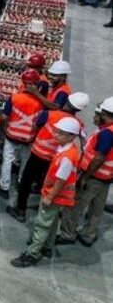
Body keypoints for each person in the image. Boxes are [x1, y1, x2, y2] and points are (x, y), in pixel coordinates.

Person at [11, 116, 82, 267]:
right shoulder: (65, 148)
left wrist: (49, 196)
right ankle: (47, 246)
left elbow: (60, 180)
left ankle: (32, 253)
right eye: (57, 131)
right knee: (52, 221)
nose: (56, 135)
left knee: (42, 224)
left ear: (71, 136)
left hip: (54, 196)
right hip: (57, 196)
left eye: (60, 133)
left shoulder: (68, 156)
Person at [7, 92, 89, 223]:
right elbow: (83, 142)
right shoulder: (78, 124)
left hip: (38, 154)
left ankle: (20, 210)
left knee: (26, 182)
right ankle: (43, 208)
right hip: (57, 159)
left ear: (66, 101)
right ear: (79, 109)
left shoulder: (49, 114)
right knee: (46, 183)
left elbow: (36, 126)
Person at [58, 96, 113, 246]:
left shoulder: (107, 134)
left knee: (75, 206)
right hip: (107, 178)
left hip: (94, 176)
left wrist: (85, 177)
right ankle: (89, 234)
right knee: (97, 208)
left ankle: (67, 234)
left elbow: (99, 158)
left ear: (104, 114)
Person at [0, 69, 45, 199]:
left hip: (12, 135)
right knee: (25, 161)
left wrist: (3, 130)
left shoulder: (15, 98)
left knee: (7, 160)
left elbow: (3, 117)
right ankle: (21, 182)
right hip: (29, 138)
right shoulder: (41, 103)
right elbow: (41, 122)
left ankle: (4, 187)